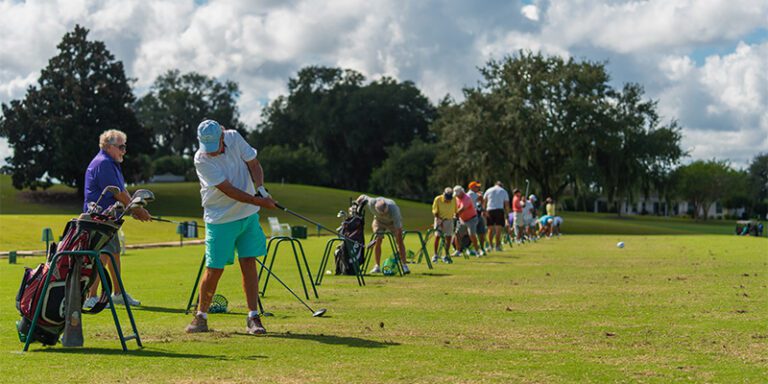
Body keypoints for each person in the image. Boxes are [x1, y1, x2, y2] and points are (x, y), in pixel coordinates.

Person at [186, 120, 277, 335]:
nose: (212, 151)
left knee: (249, 263)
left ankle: (253, 317)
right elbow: (229, 190)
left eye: (215, 145)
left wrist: (261, 189)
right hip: (220, 219)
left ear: (222, 135)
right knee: (214, 269)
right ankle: (201, 317)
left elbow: (254, 164)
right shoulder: (201, 159)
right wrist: (259, 201)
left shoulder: (234, 137)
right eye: (207, 146)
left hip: (248, 216)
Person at [83, 129, 151, 308]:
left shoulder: (112, 164)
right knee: (105, 254)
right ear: (108, 146)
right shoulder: (104, 163)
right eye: (121, 147)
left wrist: (134, 208)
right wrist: (137, 210)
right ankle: (91, 296)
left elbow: (123, 191)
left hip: (109, 216)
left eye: (124, 147)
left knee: (113, 253)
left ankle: (118, 293)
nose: (124, 151)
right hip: (99, 216)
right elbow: (119, 194)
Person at [357, 195, 411, 275]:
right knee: (378, 240)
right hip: (379, 221)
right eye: (382, 213)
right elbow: (363, 197)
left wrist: (398, 238)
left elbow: (399, 230)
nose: (384, 215)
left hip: (392, 222)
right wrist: (356, 205)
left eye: (385, 213)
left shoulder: (394, 210)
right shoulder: (371, 202)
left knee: (399, 241)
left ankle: (404, 266)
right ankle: (377, 267)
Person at [453, 186, 481, 257]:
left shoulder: (467, 198)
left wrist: (455, 214)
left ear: (462, 192)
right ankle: (457, 251)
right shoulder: (457, 198)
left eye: (458, 194)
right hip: (462, 219)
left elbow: (462, 208)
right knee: (457, 234)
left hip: (471, 219)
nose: (457, 196)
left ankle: (477, 251)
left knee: (471, 234)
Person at [431, 187, 457, 263]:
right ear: (444, 194)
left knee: (448, 238)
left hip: (449, 220)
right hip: (439, 219)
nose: (448, 200)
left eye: (449, 198)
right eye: (447, 198)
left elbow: (456, 210)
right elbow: (435, 211)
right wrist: (439, 220)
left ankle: (446, 255)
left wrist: (457, 218)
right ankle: (435, 255)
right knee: (437, 237)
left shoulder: (454, 199)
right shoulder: (438, 199)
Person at [482, 181, 510, 251]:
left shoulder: (488, 190)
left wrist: (484, 210)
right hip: (499, 210)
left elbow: (484, 201)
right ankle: (497, 246)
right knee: (498, 229)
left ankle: (490, 246)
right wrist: (507, 213)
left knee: (490, 229)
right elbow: (506, 204)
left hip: (490, 210)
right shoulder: (503, 191)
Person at [467, 181, 488, 254]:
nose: (478, 188)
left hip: (477, 214)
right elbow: (481, 199)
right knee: (474, 233)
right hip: (472, 215)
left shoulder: (474, 194)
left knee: (481, 232)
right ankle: (475, 248)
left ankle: (481, 248)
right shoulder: (471, 194)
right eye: (476, 187)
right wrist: (480, 195)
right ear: (472, 187)